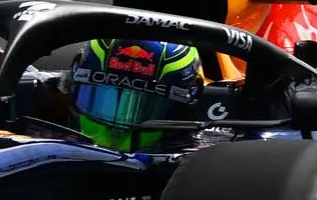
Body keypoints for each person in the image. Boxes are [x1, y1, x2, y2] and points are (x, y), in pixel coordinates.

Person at [44, 36, 210, 151]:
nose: (117, 132)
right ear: (73, 87)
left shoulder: (202, 162)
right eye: (103, 101)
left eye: (145, 109)